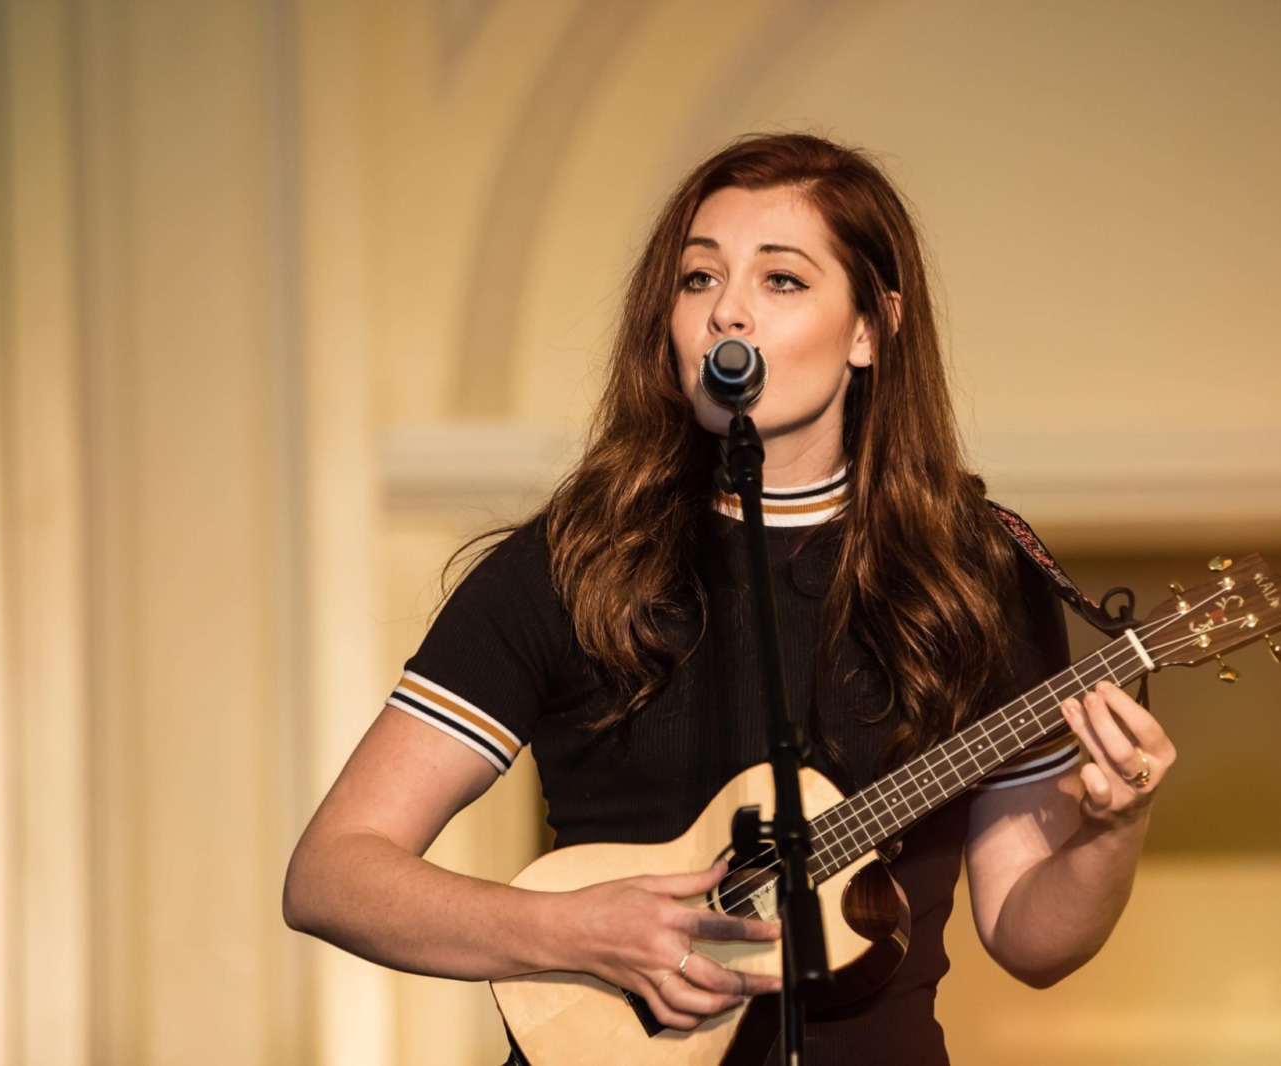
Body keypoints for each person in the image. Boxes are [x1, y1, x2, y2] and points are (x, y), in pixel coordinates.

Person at [283, 132, 1175, 1065]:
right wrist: (575, 930)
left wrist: (1114, 829)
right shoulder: (571, 563)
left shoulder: (978, 571)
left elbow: (1029, 937)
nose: (727, 313)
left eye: (782, 281)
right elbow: (332, 874)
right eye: (698, 279)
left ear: (871, 329)